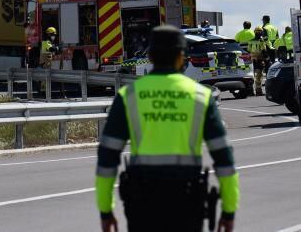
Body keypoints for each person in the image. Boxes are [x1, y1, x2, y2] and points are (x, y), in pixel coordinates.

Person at [96, 26, 239, 232]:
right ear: (182, 57)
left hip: (142, 204)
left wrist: (105, 211)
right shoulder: (200, 96)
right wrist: (229, 211)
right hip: (187, 203)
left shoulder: (129, 96)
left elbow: (107, 157)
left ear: (151, 56)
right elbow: (224, 158)